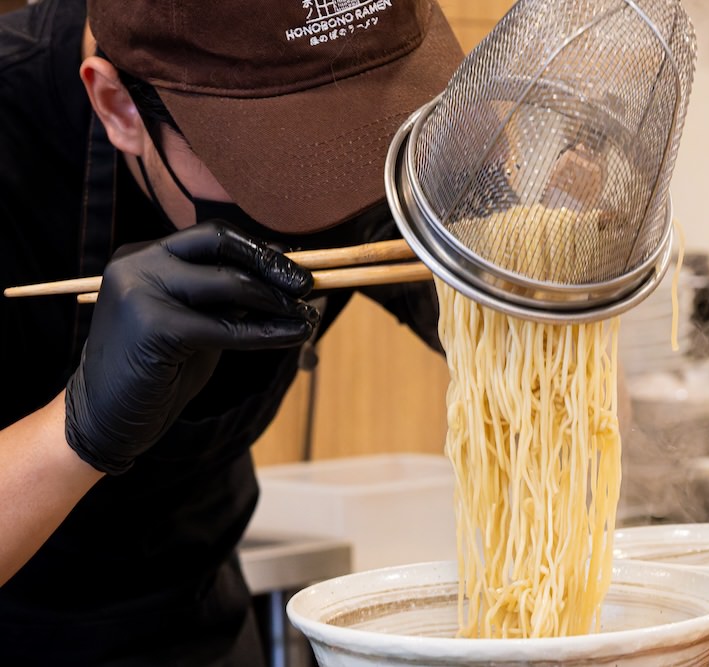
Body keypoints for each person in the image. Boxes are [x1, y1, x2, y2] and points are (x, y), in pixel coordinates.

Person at [0, 0, 464, 664]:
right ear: (117, 104)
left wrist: (553, 286)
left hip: (207, 620)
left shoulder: (380, 161)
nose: (336, 187)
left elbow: (551, 396)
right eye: (274, 160)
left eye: (367, 125)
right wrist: (76, 429)